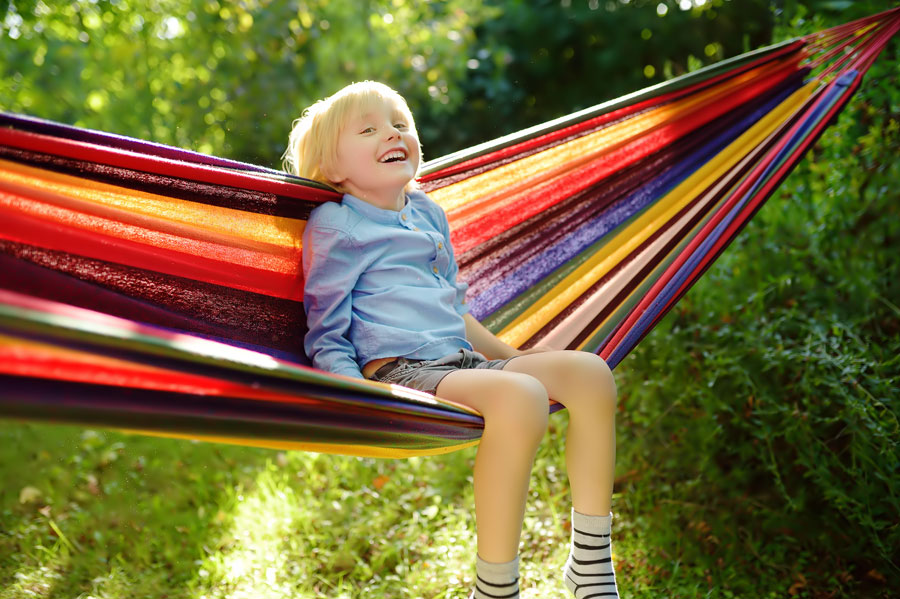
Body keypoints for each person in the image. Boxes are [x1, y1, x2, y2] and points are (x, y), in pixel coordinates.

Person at [284, 81, 620, 599]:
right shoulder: (337, 225)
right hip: (401, 372)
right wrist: (355, 396)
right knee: (524, 397)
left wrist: (515, 356)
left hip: (462, 362)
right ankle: (495, 586)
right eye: (368, 128)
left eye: (400, 123)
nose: (392, 133)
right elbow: (326, 328)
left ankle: (592, 562)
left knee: (591, 374)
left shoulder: (428, 214)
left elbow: (453, 309)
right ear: (332, 168)